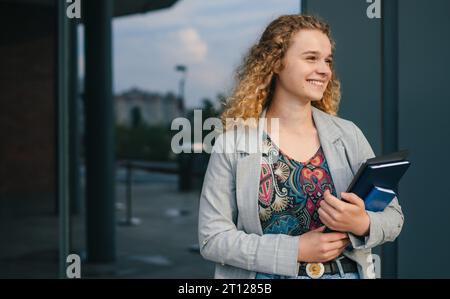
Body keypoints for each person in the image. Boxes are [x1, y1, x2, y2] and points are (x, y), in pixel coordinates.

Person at [197, 14, 404, 279]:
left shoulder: (348, 134)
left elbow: (394, 217)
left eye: (327, 60)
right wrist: (294, 250)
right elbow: (212, 238)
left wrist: (362, 223)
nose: (325, 69)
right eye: (311, 58)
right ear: (275, 63)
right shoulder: (232, 143)